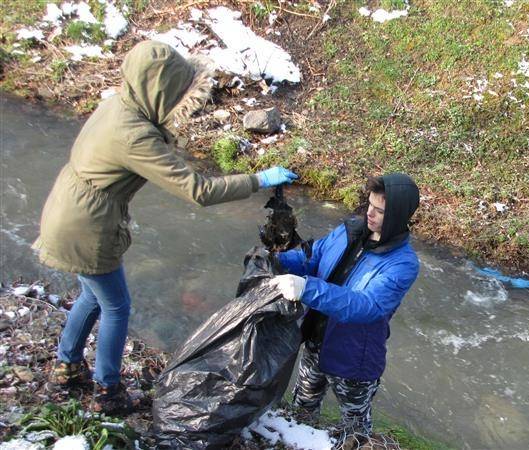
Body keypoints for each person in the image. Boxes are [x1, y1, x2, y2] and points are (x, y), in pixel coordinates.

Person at [33, 40, 298, 414]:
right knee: (117, 307)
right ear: (159, 89)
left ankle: (66, 366)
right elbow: (198, 191)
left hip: (67, 209)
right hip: (88, 226)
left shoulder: (120, 105)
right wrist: (259, 179)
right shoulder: (134, 136)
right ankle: (107, 391)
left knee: (92, 295)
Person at [268, 173, 420, 436]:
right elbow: (313, 257)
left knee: (354, 425)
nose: (369, 214)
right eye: (370, 205)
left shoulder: (403, 264)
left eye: (380, 211)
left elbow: (366, 306)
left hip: (354, 361)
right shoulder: (349, 230)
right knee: (301, 410)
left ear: (397, 216)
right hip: (315, 344)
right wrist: (277, 261)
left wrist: (306, 287)